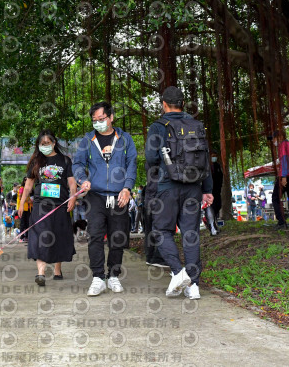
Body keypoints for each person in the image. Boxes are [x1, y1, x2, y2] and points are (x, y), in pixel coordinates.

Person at [145, 86, 214, 300]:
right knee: (190, 234)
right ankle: (194, 286)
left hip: (166, 187)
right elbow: (205, 159)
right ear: (183, 104)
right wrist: (207, 189)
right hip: (193, 187)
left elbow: (151, 158)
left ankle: (178, 272)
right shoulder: (196, 125)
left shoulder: (158, 127)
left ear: (164, 104)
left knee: (161, 230)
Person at [73, 101, 137, 296]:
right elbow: (77, 164)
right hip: (96, 195)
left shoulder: (125, 139)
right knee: (95, 235)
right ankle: (98, 277)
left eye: (101, 119)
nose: (98, 123)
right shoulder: (87, 140)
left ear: (111, 118)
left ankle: (114, 275)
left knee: (117, 237)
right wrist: (82, 179)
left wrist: (127, 188)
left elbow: (132, 164)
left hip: (119, 195)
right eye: (94, 120)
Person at [18, 129, 77, 287]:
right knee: (40, 236)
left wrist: (73, 197)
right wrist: (22, 203)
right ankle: (41, 273)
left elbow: (72, 182)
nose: (44, 146)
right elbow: (28, 185)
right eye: (41, 144)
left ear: (54, 143)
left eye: (47, 143)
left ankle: (57, 269)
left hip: (60, 205)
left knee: (59, 235)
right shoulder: (36, 162)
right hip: (40, 205)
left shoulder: (65, 160)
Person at [16, 177, 32, 242]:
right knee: (22, 223)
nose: (27, 181)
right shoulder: (22, 188)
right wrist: (27, 201)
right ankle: (21, 237)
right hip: (22, 208)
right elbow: (20, 197)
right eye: (26, 180)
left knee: (28, 222)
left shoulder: (28, 189)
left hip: (28, 208)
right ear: (24, 181)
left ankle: (27, 236)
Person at [210, 153, 224, 219]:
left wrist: (220, 185)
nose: (214, 158)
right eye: (213, 156)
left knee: (218, 204)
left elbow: (220, 176)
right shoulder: (209, 166)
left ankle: (216, 216)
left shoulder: (218, 166)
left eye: (215, 156)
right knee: (212, 204)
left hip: (217, 189)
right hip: (211, 189)